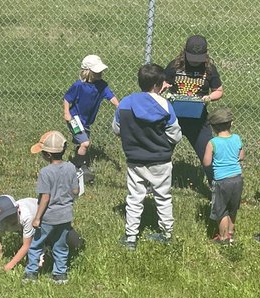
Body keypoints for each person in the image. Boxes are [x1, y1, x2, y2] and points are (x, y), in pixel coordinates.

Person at [113, 63, 182, 247]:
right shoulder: (165, 105)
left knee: (134, 198)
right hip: (160, 160)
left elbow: (117, 129)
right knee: (163, 197)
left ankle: (131, 238)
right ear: (157, 86)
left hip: (135, 160)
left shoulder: (125, 103)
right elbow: (176, 135)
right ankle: (167, 234)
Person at [163, 35, 223, 180]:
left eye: (199, 59)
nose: (195, 62)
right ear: (184, 53)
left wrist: (208, 97)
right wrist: (165, 91)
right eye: (192, 58)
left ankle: (216, 188)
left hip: (198, 120)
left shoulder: (209, 69)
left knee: (209, 156)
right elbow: (163, 84)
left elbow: (219, 91)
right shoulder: (174, 66)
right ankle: (152, 185)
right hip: (173, 119)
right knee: (161, 154)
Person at [23, 131, 79, 284]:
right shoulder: (71, 167)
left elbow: (45, 197)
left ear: (47, 155)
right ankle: (60, 275)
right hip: (65, 216)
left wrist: (37, 218)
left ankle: (31, 273)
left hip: (48, 217)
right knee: (60, 246)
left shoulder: (45, 172)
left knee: (36, 245)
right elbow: (76, 191)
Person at [62, 54, 119, 181]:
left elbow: (111, 97)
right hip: (74, 120)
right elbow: (67, 98)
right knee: (85, 143)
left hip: (86, 121)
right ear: (86, 72)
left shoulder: (102, 85)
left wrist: (119, 106)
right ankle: (76, 167)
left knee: (81, 143)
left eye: (101, 72)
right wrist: (67, 113)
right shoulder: (78, 86)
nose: (100, 75)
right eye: (96, 72)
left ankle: (79, 163)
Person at [0, 194, 82, 272]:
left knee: (76, 244)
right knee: (39, 265)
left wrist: (9, 266)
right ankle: (44, 247)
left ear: (18, 208)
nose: (10, 220)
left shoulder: (26, 216)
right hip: (32, 227)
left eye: (11, 215)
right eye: (6, 218)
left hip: (50, 217)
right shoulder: (1, 222)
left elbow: (26, 245)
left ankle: (49, 245)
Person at [202, 106, 244, 244]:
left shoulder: (213, 142)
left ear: (213, 127)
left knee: (221, 210)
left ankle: (223, 237)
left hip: (222, 181)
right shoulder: (237, 138)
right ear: (231, 123)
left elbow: (206, 162)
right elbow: (241, 156)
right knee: (233, 207)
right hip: (237, 178)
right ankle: (231, 233)